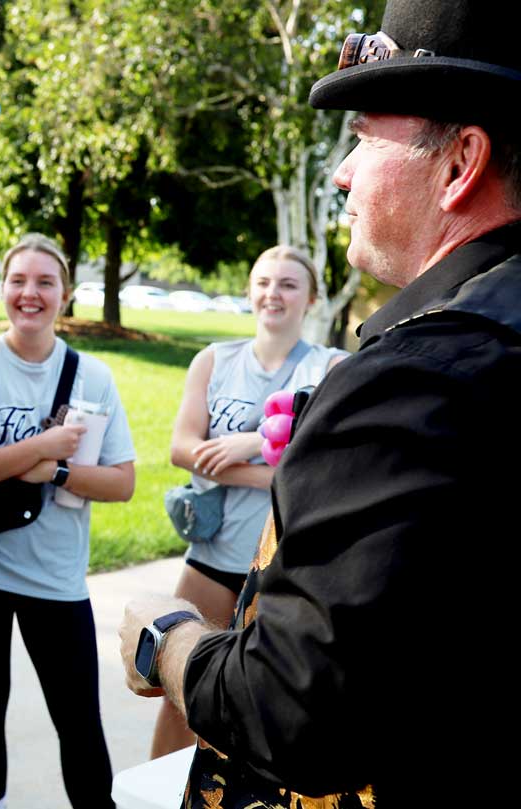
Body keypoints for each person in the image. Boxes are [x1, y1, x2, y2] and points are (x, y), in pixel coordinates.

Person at [118, 1, 521, 804]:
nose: (342, 172)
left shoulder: (416, 377)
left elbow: (296, 712)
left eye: (367, 137)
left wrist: (166, 644)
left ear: (460, 163)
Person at [0, 233, 136, 809]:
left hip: (55, 572)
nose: (30, 293)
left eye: (45, 282)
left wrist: (52, 472)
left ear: (65, 295)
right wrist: (41, 448)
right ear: (2, 289)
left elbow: (121, 482)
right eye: (18, 280)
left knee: (77, 714)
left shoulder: (91, 376)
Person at [149, 246, 346, 758]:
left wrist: (244, 443)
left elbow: (327, 468)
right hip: (213, 557)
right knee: (178, 690)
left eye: (287, 284)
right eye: (262, 282)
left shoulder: (332, 368)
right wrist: (270, 459)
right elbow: (182, 449)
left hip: (287, 564)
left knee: (260, 703)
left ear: (312, 298)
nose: (272, 294)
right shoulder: (215, 359)